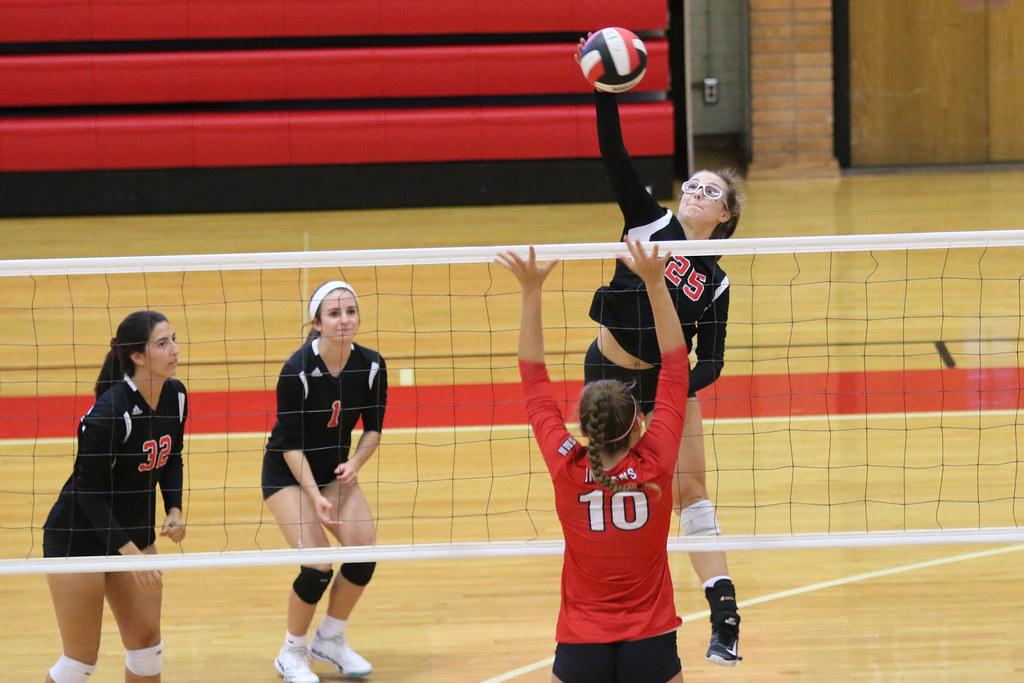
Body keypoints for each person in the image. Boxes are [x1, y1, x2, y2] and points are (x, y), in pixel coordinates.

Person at [577, 40, 745, 667]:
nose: (697, 192)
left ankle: (724, 616)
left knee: (693, 488)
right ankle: (612, 605)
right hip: (610, 379)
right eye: (693, 185)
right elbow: (614, 158)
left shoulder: (720, 278)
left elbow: (714, 359)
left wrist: (679, 390)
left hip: (667, 383)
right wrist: (605, 95)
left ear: (724, 217)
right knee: (613, 485)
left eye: (710, 192)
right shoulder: (650, 226)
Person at [497, 240, 688, 683]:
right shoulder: (656, 460)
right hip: (652, 636)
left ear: (582, 428)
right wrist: (656, 284)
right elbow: (677, 369)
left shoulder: (567, 466)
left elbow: (534, 381)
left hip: (582, 639)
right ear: (638, 422)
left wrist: (530, 290)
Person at [41, 310, 187, 683]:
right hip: (78, 537)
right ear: (137, 357)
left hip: (133, 531)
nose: (174, 349)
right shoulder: (108, 414)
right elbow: (87, 493)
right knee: (79, 662)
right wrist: (133, 557)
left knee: (147, 650)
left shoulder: (176, 396)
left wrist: (174, 507)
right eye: (162, 343)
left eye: (173, 339)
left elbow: (171, 458)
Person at [262, 280, 387, 683]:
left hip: (333, 469)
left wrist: (355, 464)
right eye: (334, 314)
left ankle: (330, 639)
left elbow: (374, 429)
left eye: (350, 312)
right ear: (316, 323)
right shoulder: (296, 371)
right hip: (287, 474)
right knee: (317, 566)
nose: (344, 320)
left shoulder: (371, 366)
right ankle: (292, 652)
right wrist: (314, 498)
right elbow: (289, 446)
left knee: (364, 550)